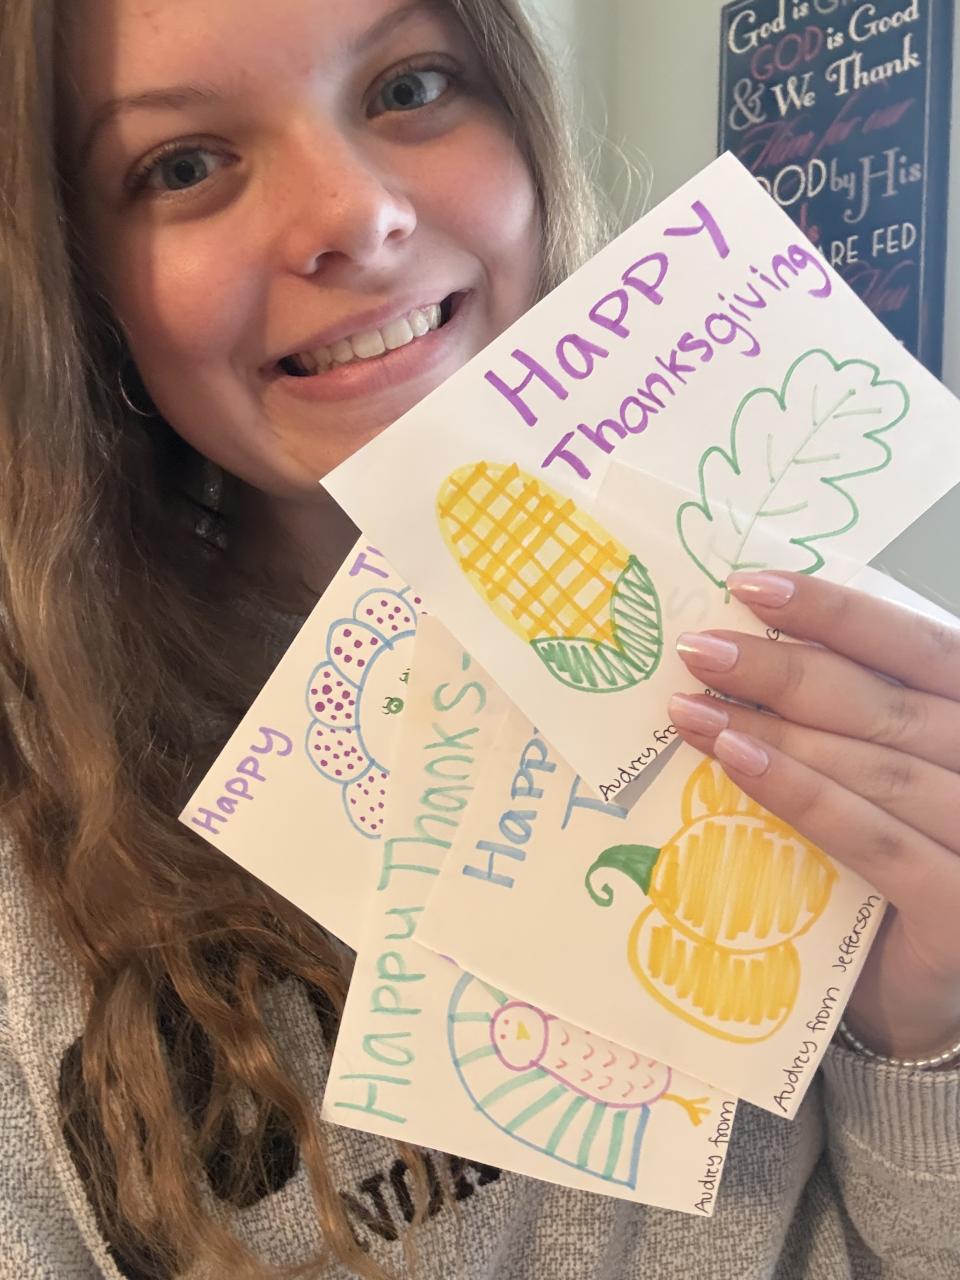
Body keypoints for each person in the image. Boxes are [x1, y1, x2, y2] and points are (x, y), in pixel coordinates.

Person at [1, 0, 958, 1277]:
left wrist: (919, 1044)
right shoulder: (33, 844)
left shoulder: (786, 635)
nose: (355, 215)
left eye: (408, 87)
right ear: (82, 275)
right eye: (183, 165)